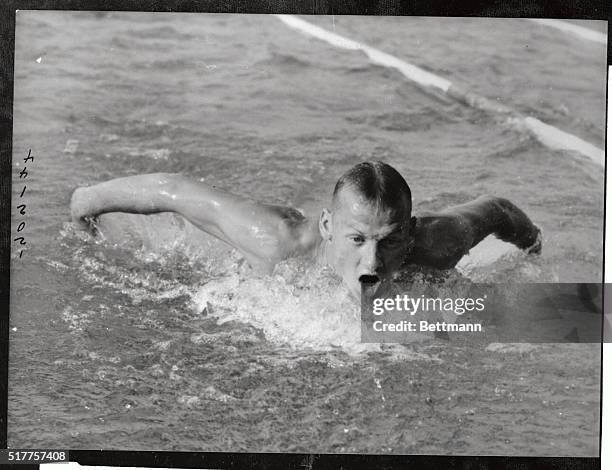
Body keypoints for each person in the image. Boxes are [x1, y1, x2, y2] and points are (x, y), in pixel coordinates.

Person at [70, 161, 542, 299]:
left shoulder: (439, 242)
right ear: (328, 227)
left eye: (390, 240)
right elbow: (173, 190)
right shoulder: (278, 243)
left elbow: (499, 210)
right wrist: (84, 203)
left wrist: (534, 248)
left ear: (411, 231)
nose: (373, 263)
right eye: (357, 240)